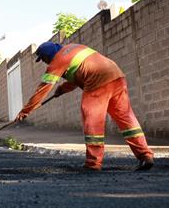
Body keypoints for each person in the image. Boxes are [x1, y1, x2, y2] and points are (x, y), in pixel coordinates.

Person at [16, 42, 154, 171]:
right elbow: (81, 72)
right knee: (126, 119)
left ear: (48, 55)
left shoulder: (57, 62)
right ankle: (145, 155)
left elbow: (43, 89)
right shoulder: (74, 48)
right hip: (116, 76)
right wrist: (63, 89)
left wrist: (26, 110)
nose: (45, 62)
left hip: (98, 83)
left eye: (43, 59)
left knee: (92, 121)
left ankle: (93, 163)